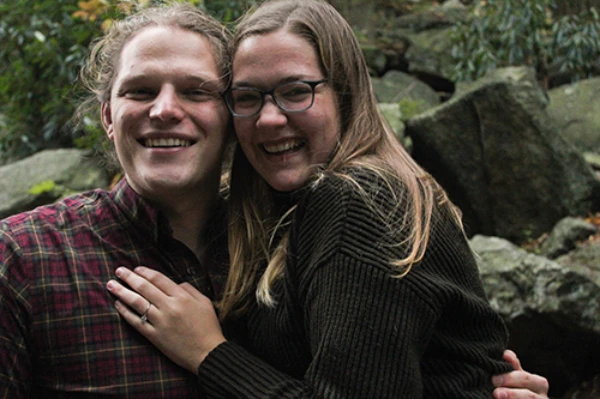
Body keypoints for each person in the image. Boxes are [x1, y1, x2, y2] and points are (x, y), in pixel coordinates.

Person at [107, 1, 549, 398]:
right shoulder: (273, 209)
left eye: (296, 91)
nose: (270, 118)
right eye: (247, 97)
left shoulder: (362, 202)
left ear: (347, 93)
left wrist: (208, 353)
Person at [0, 4, 233, 397]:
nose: (164, 110)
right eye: (140, 91)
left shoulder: (280, 251)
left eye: (196, 91)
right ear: (108, 117)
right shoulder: (22, 258)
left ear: (233, 117)